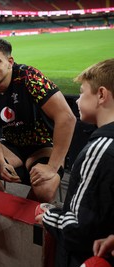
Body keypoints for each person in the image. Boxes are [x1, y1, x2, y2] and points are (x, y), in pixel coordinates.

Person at [0, 38, 76, 203]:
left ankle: (26, 219)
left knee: (45, 188)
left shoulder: (28, 77)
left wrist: (52, 167)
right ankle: (7, 209)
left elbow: (66, 118)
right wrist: (1, 163)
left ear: (10, 62)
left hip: (43, 145)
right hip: (12, 146)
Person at [36, 58, 114, 267]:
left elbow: (78, 228)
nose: (78, 100)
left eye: (81, 92)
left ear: (101, 95)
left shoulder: (100, 150)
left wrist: (48, 215)